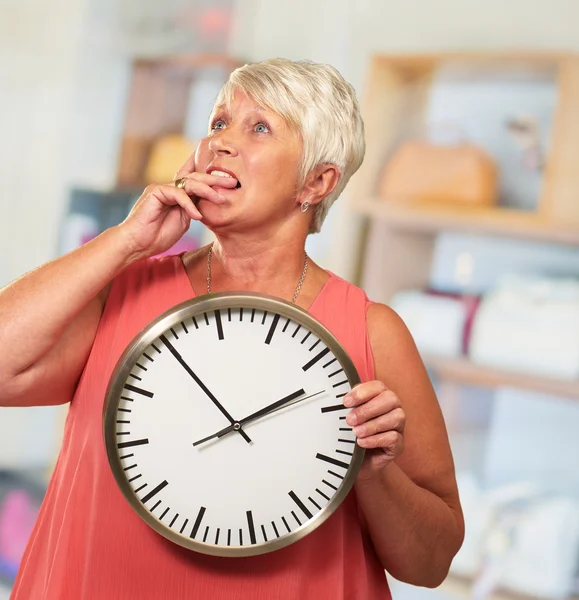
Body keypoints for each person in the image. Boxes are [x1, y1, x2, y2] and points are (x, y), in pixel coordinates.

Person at [0, 58, 464, 599]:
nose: (221, 143)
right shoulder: (124, 291)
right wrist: (126, 240)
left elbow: (429, 565)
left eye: (259, 127)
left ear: (317, 181)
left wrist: (378, 474)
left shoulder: (373, 332)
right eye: (219, 123)